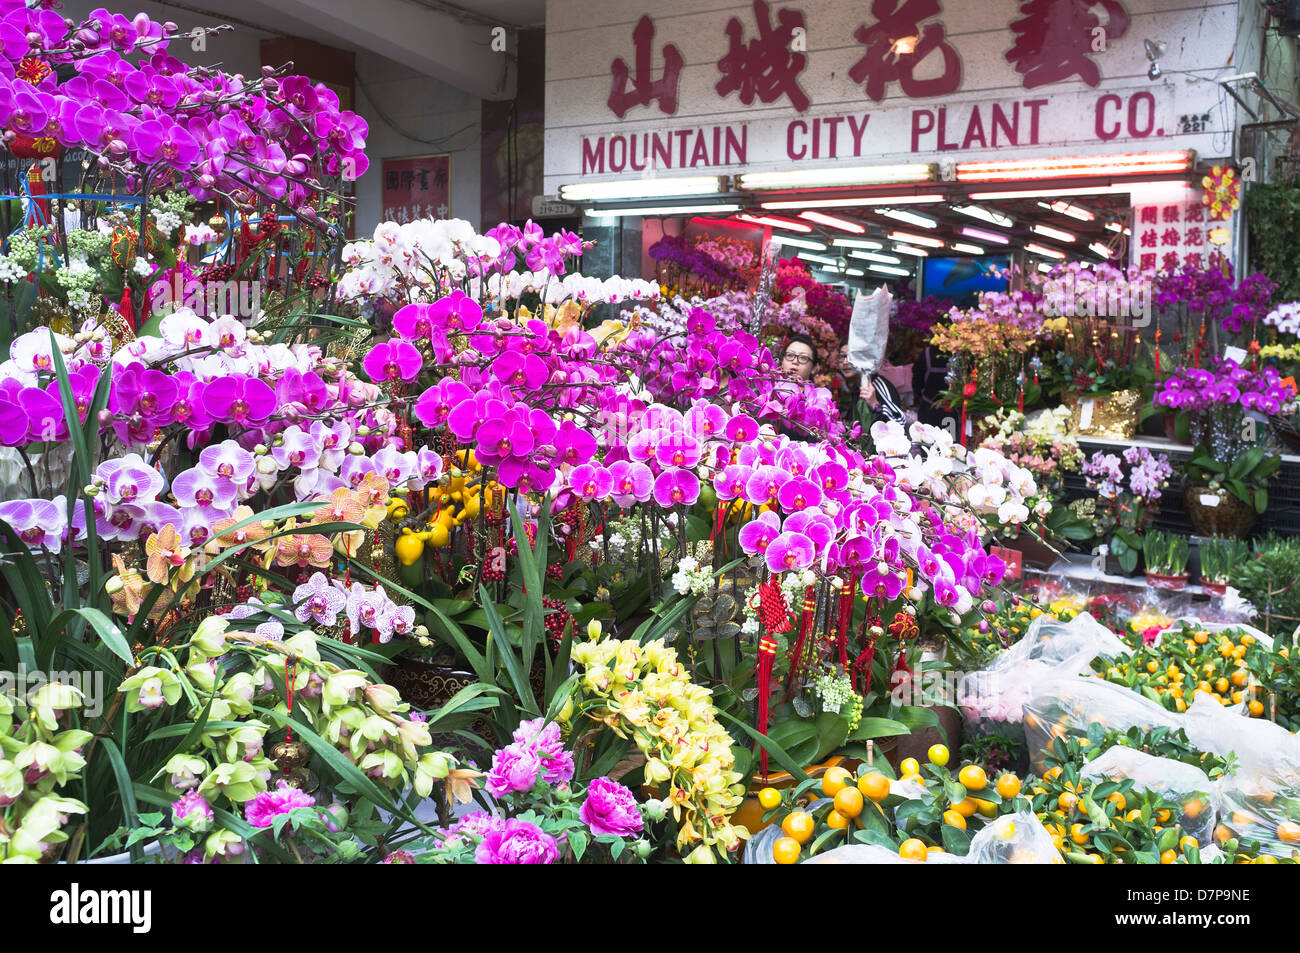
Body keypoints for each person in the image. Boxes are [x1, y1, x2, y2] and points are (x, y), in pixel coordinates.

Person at [777, 334, 905, 430]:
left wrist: (875, 404)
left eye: (851, 356)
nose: (845, 362)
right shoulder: (855, 387)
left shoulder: (877, 386)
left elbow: (900, 422)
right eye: (842, 356)